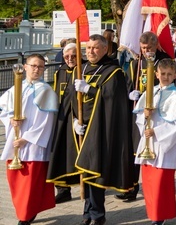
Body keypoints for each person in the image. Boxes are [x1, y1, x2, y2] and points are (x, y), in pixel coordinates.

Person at [71, 34, 135, 225]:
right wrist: (74, 119)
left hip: (101, 128)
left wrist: (88, 89)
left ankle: (97, 214)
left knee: (94, 171)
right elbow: (72, 100)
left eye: (95, 48)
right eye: (88, 48)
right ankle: (87, 211)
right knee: (85, 171)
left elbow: (113, 99)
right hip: (83, 127)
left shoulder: (113, 72)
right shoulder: (80, 69)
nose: (91, 51)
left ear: (105, 49)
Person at [133, 59, 176, 225]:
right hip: (148, 143)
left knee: (161, 185)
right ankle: (153, 214)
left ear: (175, 76)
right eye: (162, 74)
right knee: (149, 184)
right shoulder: (150, 92)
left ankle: (160, 216)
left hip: (164, 146)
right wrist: (144, 115)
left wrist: (157, 131)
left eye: (169, 74)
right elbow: (139, 117)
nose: (165, 77)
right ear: (156, 74)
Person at [1, 54, 58, 225]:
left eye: (40, 67)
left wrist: (26, 139)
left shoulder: (46, 91)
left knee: (29, 185)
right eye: (33, 66)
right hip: (14, 142)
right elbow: (4, 109)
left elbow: (46, 122)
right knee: (15, 182)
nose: (37, 69)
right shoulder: (16, 88)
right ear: (25, 67)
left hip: (33, 146)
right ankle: (24, 211)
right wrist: (10, 118)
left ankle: (25, 217)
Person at [120, 31, 171, 202]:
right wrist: (130, 94)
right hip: (138, 114)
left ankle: (156, 187)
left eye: (149, 48)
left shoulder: (165, 63)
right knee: (135, 150)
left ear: (156, 45)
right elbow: (126, 85)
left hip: (157, 113)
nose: (146, 51)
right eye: (143, 48)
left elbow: (171, 86)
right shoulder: (136, 64)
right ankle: (131, 187)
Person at [50, 42, 78, 204]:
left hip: (78, 120)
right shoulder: (59, 72)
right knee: (59, 154)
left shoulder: (84, 71)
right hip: (61, 121)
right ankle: (62, 189)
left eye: (73, 56)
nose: (69, 59)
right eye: (66, 56)